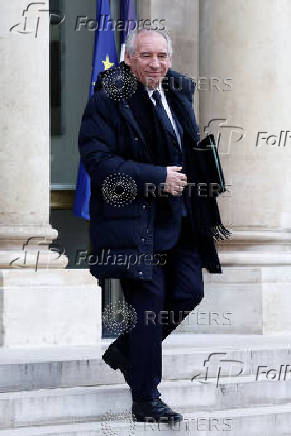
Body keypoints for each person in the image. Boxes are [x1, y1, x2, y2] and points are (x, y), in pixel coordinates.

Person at [78, 28, 226, 424]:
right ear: (129, 59)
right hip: (134, 226)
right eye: (146, 56)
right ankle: (146, 397)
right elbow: (98, 162)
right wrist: (155, 176)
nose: (155, 63)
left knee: (189, 292)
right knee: (147, 310)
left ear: (170, 59)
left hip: (181, 221)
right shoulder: (108, 101)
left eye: (162, 55)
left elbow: (185, 149)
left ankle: (126, 353)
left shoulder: (177, 95)